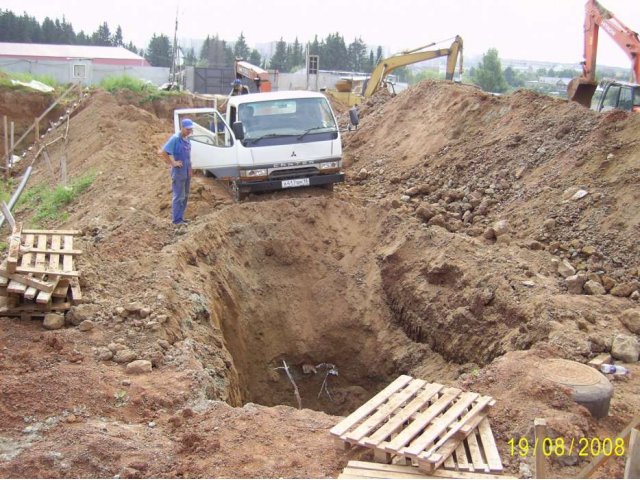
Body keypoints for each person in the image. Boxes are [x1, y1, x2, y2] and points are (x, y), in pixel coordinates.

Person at [159, 118, 193, 226]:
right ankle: (176, 220)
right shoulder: (175, 139)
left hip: (186, 172)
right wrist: (172, 163)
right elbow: (163, 152)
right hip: (178, 173)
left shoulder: (187, 139)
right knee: (179, 196)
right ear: (182, 128)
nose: (189, 131)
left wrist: (190, 169)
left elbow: (188, 157)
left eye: (190, 129)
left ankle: (181, 217)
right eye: (187, 129)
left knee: (186, 195)